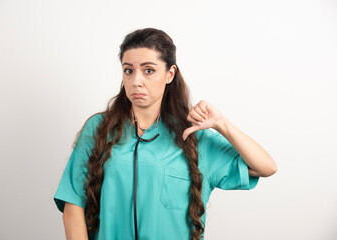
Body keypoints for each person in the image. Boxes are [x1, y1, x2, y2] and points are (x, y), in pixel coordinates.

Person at [53, 27, 277, 240]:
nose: (136, 81)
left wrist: (222, 124)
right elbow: (73, 204)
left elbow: (265, 167)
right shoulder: (99, 129)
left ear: (170, 74)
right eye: (128, 70)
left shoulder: (193, 135)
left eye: (148, 70)